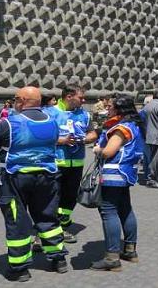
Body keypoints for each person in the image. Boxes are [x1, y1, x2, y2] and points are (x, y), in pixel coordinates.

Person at [0, 86, 68, 281]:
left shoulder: (9, 122)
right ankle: (58, 259)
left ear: (22, 101)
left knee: (17, 219)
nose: (15, 102)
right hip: (47, 176)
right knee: (48, 216)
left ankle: (20, 268)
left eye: (16, 99)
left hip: (15, 176)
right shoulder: (52, 122)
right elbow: (55, 141)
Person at [91, 95, 144, 271]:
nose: (108, 109)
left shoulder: (122, 128)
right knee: (125, 209)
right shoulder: (134, 125)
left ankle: (112, 257)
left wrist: (98, 149)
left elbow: (108, 151)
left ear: (119, 110)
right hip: (126, 172)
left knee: (109, 212)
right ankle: (130, 250)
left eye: (111, 107)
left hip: (114, 173)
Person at [54, 85, 98, 243]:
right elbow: (41, 137)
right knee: (54, 196)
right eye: (81, 97)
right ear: (69, 96)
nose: (84, 100)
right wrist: (62, 141)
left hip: (76, 163)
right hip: (56, 163)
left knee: (70, 197)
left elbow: (93, 133)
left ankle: (63, 222)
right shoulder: (51, 113)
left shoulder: (84, 114)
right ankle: (56, 228)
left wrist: (86, 139)